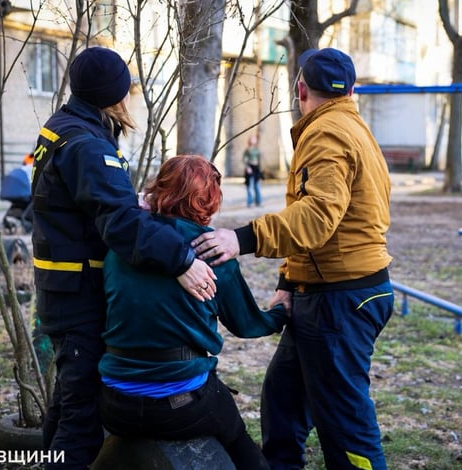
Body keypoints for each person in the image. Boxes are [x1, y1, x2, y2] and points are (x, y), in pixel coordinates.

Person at [191, 48, 394, 470]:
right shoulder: (351, 127)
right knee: (282, 401)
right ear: (352, 91)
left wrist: (241, 239)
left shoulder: (327, 134)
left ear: (300, 89)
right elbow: (327, 222)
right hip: (325, 293)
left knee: (345, 423)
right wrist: (288, 284)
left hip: (341, 301)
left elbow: (317, 217)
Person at [30, 47, 217, 469]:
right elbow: (119, 226)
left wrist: (123, 202)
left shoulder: (61, 127)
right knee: (80, 420)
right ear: (113, 96)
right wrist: (183, 261)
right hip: (78, 298)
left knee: (66, 403)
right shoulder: (89, 147)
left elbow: (69, 202)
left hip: (61, 289)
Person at [99, 155, 288, 469]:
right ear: (209, 202)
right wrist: (280, 313)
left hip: (113, 401)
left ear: (159, 189)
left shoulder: (122, 243)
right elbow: (247, 325)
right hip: (181, 406)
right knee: (241, 442)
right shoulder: (212, 252)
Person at [243, 135, 262, 207]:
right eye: (252, 139)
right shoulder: (247, 150)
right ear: (249, 140)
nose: (254, 140)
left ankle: (258, 202)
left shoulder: (257, 149)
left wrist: (260, 170)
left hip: (256, 169)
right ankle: (250, 202)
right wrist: (247, 167)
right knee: (250, 186)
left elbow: (259, 160)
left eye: (255, 139)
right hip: (250, 169)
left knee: (257, 186)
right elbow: (244, 159)